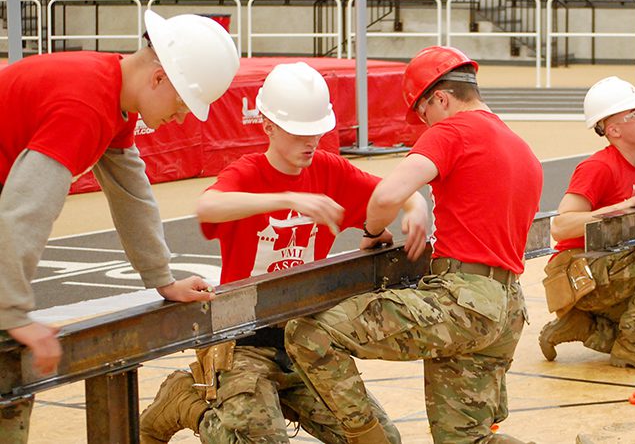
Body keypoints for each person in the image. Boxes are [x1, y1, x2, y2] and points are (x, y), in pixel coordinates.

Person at [138, 62, 425, 444]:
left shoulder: (329, 169)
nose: (310, 142)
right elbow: (207, 208)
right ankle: (186, 402)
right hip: (245, 343)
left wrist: (415, 206)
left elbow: (394, 191)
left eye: (316, 132)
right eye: (299, 133)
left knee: (380, 439)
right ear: (269, 126)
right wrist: (287, 197)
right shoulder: (248, 172)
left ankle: (281, 401)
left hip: (304, 339)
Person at [283, 46, 543, 444]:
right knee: (465, 439)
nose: (425, 125)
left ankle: (370, 439)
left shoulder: (453, 131)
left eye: (424, 115)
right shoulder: (519, 145)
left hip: (463, 301)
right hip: (506, 307)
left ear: (441, 98)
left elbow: (387, 195)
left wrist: (372, 230)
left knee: (309, 334)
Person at [0, 10, 240, 441]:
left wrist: (161, 278)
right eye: (183, 103)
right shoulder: (84, 105)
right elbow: (26, 211)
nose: (181, 118)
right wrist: (12, 311)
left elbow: (131, 191)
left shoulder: (112, 95)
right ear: (159, 77)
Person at [538, 76, 635, 372]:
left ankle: (583, 326)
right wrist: (619, 208)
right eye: (634, 114)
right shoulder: (598, 167)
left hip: (609, 266)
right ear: (613, 130)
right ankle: (631, 345)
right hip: (579, 271)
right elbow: (560, 226)